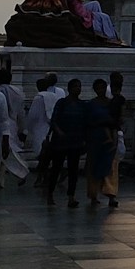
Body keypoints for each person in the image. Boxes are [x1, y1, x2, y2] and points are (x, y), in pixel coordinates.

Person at [44, 79, 90, 208]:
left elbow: (85, 123)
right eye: (76, 86)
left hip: (75, 142)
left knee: (73, 170)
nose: (78, 89)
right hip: (60, 142)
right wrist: (59, 132)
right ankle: (50, 194)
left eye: (79, 86)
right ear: (69, 89)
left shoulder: (82, 105)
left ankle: (71, 196)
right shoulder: (62, 103)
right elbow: (54, 120)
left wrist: (85, 140)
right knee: (56, 168)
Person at [83, 78, 119, 209]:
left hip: (109, 138)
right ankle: (93, 195)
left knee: (110, 166)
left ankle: (111, 195)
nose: (101, 91)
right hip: (95, 138)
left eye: (103, 88)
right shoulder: (91, 105)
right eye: (98, 88)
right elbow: (86, 122)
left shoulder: (111, 104)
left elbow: (116, 121)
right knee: (93, 166)